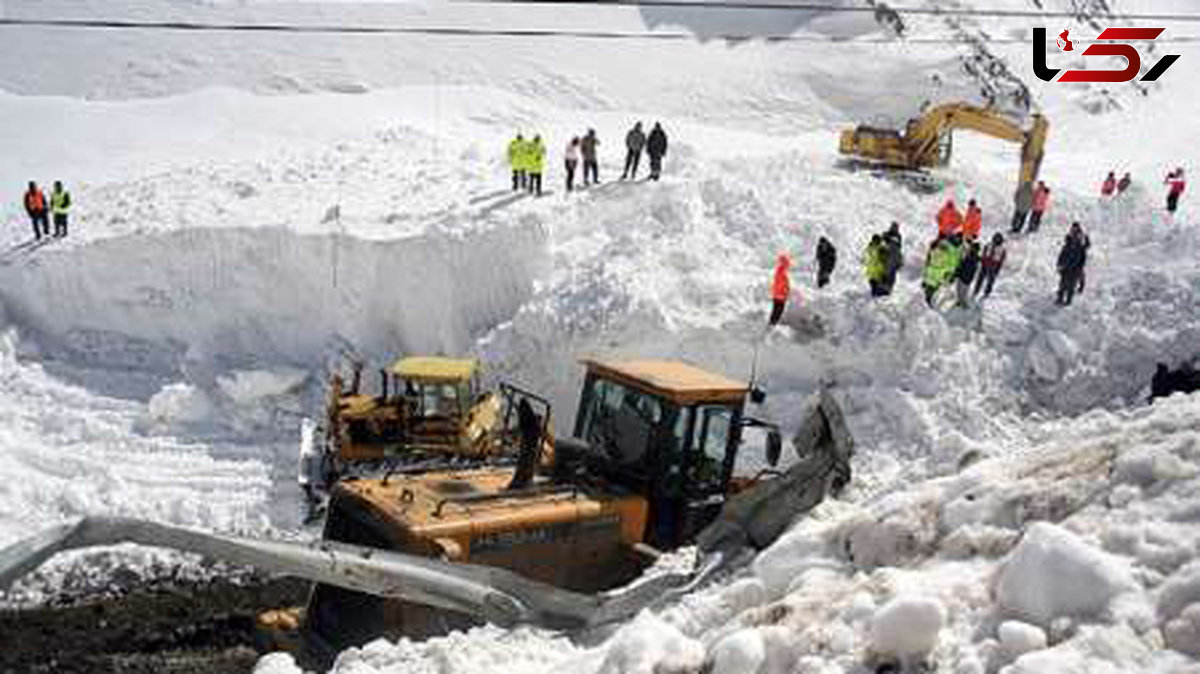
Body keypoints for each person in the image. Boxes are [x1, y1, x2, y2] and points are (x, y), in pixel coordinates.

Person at [923, 236, 961, 307]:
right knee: (933, 286)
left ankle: (928, 297)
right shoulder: (952, 251)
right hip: (939, 272)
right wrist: (950, 273)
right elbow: (951, 265)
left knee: (931, 284)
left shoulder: (938, 245)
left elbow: (930, 256)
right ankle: (928, 299)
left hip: (932, 269)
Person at [1056, 222, 1088, 306]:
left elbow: (1083, 258)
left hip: (1076, 268)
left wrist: (1080, 268)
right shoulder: (1068, 243)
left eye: (1075, 230)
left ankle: (1069, 299)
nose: (1073, 232)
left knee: (1071, 285)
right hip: (1066, 267)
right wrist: (1059, 264)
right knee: (1062, 283)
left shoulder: (1081, 245)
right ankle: (1060, 297)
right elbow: (1062, 254)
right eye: (1072, 230)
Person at [974, 232, 1007, 299]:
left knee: (991, 280)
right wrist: (982, 261)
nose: (996, 241)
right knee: (980, 278)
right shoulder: (988, 245)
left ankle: (987, 292)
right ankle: (976, 290)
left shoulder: (1002, 249)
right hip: (985, 264)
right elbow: (984, 253)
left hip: (993, 267)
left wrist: (997, 269)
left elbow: (1001, 260)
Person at [955, 239, 980, 307]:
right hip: (964, 277)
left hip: (965, 278)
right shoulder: (972, 257)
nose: (970, 248)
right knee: (960, 291)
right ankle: (960, 301)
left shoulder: (973, 258)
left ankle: (963, 303)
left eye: (972, 248)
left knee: (962, 292)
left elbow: (964, 266)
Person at [769, 252, 791, 325]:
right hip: (780, 295)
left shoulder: (779, 270)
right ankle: (772, 324)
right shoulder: (782, 271)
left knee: (775, 310)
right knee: (778, 311)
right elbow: (782, 284)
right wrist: (786, 291)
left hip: (777, 294)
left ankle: (772, 323)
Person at [882, 222, 903, 294]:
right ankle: (884, 287)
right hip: (889, 256)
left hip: (892, 256)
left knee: (891, 274)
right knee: (888, 273)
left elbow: (899, 248)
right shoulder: (888, 234)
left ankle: (888, 288)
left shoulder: (898, 236)